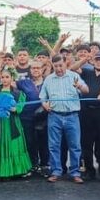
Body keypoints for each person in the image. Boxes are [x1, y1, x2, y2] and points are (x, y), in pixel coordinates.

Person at [39, 55, 89, 184]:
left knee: (75, 146)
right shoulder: (48, 79)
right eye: (56, 66)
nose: (59, 68)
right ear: (53, 65)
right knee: (53, 145)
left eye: (61, 65)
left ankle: (75, 173)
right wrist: (45, 104)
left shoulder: (74, 76)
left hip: (72, 116)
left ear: (65, 64)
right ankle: (56, 171)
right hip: (54, 116)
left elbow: (86, 90)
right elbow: (42, 97)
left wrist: (79, 86)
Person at [78, 51, 100, 182]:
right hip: (86, 112)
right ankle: (89, 170)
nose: (99, 61)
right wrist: (85, 59)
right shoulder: (87, 72)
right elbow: (72, 68)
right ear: (93, 61)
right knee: (86, 143)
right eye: (97, 59)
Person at [16, 61, 48, 176]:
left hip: (44, 117)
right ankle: (32, 165)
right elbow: (7, 81)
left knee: (44, 142)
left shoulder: (48, 82)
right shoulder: (24, 82)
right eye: (33, 68)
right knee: (29, 141)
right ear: (30, 70)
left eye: (38, 68)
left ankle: (45, 165)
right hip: (27, 116)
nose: (35, 70)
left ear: (42, 69)